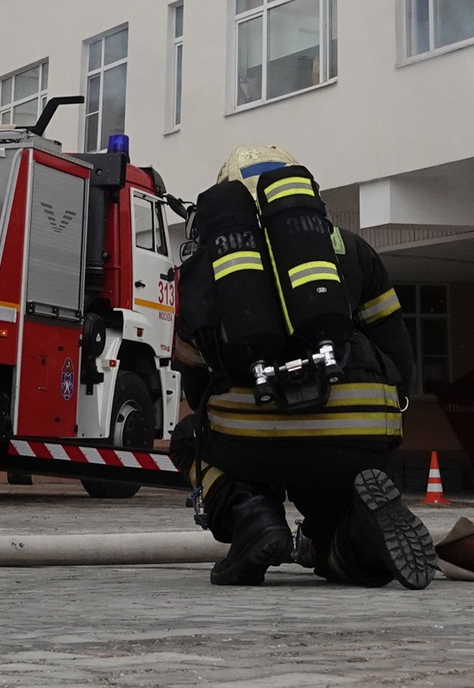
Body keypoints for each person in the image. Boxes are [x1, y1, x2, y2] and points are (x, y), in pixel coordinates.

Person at [172, 145, 437, 590]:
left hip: (249, 436)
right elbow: (398, 354)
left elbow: (196, 383)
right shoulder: (351, 250)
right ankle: (356, 536)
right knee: (335, 504)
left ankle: (251, 513)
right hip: (355, 427)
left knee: (186, 440)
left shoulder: (209, 268)